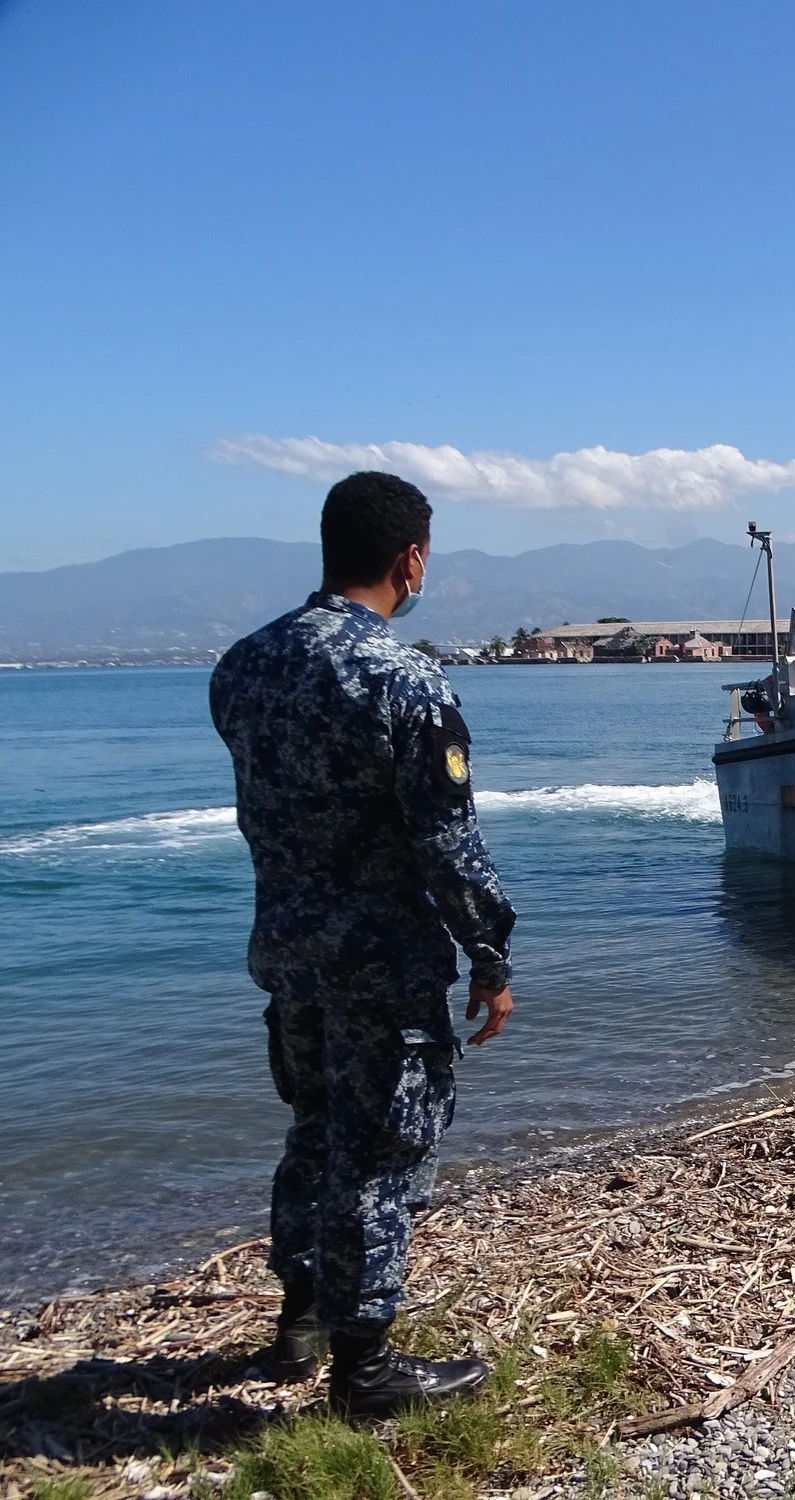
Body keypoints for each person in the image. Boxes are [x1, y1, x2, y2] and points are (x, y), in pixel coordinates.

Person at [210, 471, 518, 1416]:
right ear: (410, 559)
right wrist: (490, 953)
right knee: (380, 1151)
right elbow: (447, 845)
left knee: (313, 1129)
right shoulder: (402, 678)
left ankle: (301, 1317)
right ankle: (367, 1367)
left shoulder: (245, 667)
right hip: (381, 965)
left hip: (288, 956)